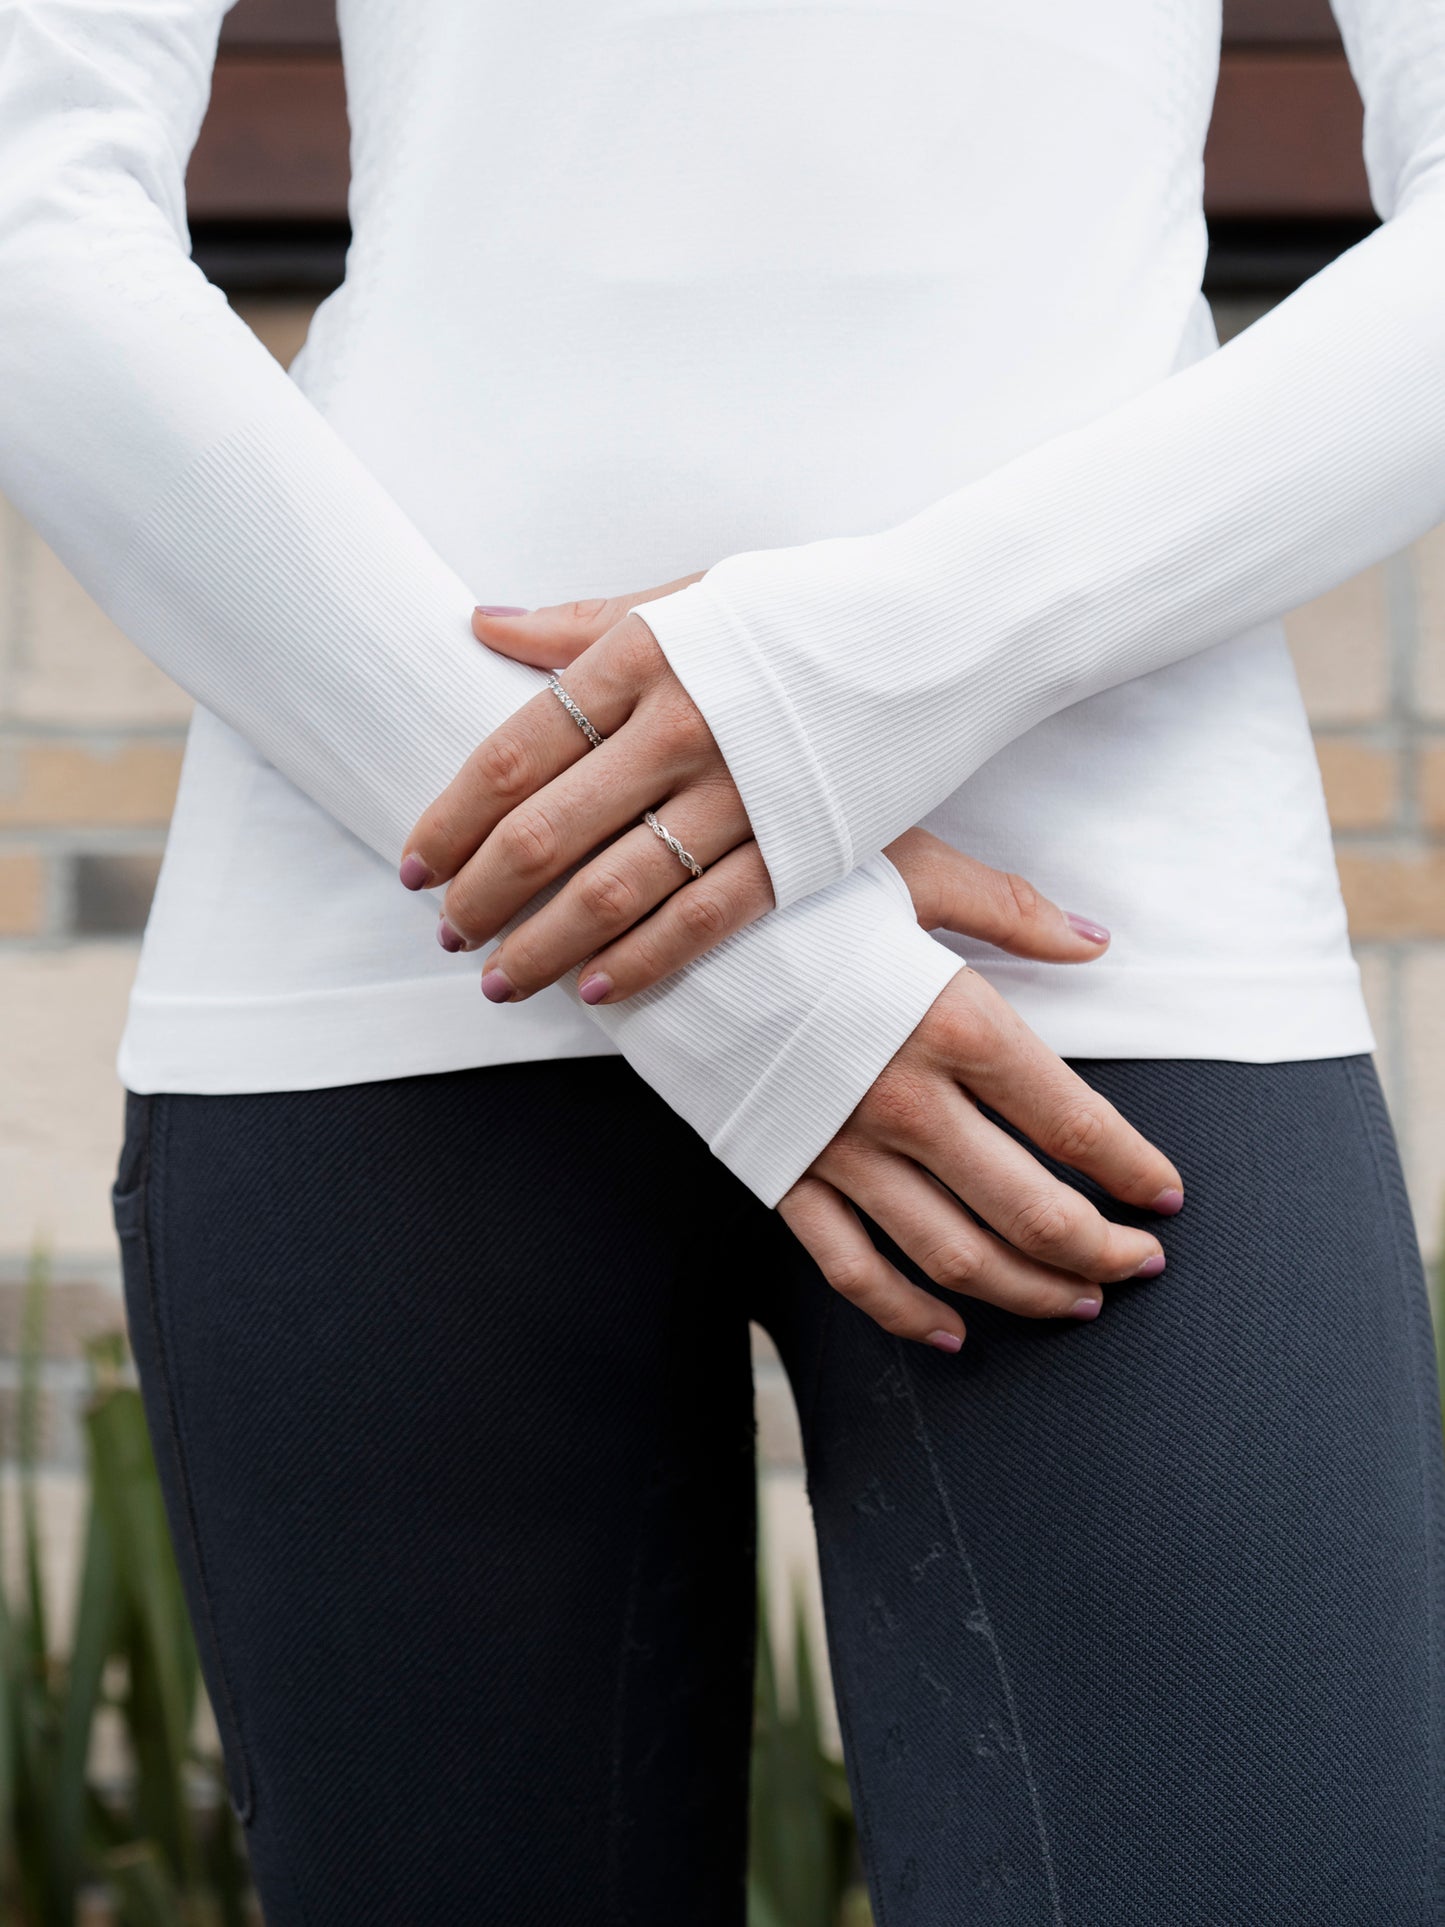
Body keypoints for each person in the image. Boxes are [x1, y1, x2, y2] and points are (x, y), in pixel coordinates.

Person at [3, 0, 1442, 1919]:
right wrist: (704, 919)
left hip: (1084, 957)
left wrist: (832, 690)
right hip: (403, 934)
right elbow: (29, 188)